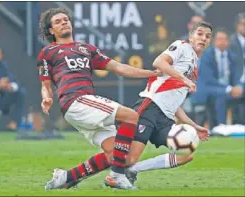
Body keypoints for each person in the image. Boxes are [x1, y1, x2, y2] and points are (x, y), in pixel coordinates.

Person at [46, 21, 211, 189]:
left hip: (165, 118)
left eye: (207, 36)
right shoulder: (182, 46)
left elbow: (174, 101)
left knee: (187, 150)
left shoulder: (194, 64)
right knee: (125, 158)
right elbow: (159, 62)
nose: (203, 38)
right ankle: (72, 176)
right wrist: (183, 79)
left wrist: (193, 125)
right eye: (200, 34)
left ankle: (125, 171)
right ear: (191, 36)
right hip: (149, 107)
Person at [37, 8, 161, 190]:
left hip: (84, 105)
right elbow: (45, 85)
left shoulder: (86, 48)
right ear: (50, 30)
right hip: (76, 101)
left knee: (116, 155)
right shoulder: (48, 52)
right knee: (131, 116)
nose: (64, 22)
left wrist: (151, 73)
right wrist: (46, 98)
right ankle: (117, 177)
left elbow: (119, 68)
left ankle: (66, 177)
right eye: (57, 21)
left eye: (66, 19)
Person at [193, 28, 243, 127]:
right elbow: (209, 79)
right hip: (209, 88)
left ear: (228, 42)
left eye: (224, 39)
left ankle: (240, 127)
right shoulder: (206, 56)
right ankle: (221, 127)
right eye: (219, 39)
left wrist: (238, 86)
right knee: (221, 94)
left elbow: (239, 74)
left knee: (241, 92)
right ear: (214, 41)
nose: (222, 42)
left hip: (230, 89)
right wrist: (228, 89)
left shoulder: (233, 56)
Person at [0, 48, 26, 131]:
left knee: (21, 93)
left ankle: (14, 124)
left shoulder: (3, 66)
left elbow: (13, 80)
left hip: (1, 98)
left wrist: (10, 86)